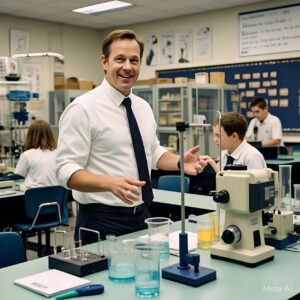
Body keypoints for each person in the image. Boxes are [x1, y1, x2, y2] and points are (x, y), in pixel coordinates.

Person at [55, 29, 206, 243]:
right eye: (120, 59)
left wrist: (180, 162)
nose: (128, 66)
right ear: (104, 62)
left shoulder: (142, 107)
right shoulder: (83, 109)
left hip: (142, 216)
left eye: (134, 60)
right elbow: (64, 170)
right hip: (100, 220)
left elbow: (151, 151)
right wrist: (109, 183)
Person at [15, 120, 58, 188]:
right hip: (57, 195)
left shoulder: (27, 155)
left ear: (30, 136)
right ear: (50, 135)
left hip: (34, 195)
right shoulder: (58, 153)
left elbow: (18, 175)